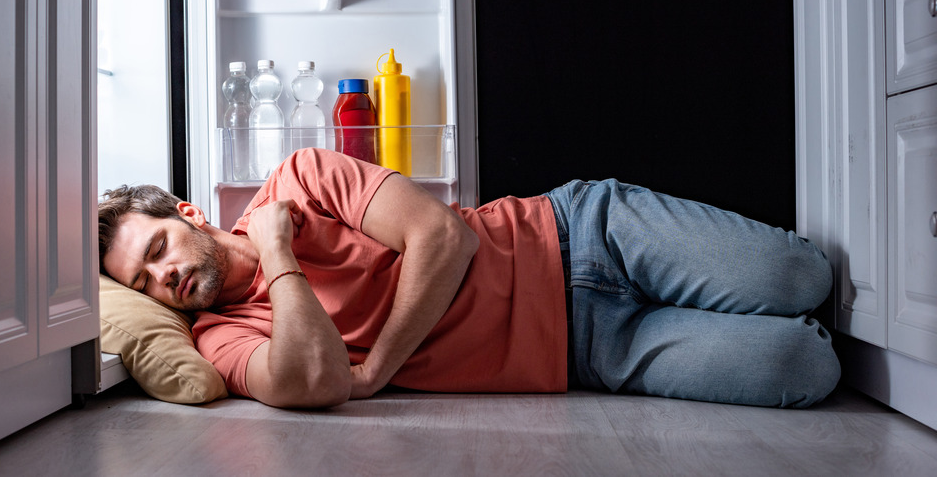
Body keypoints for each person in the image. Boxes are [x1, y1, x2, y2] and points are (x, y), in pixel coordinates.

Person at [98, 148, 840, 410]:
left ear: (189, 213)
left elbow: (441, 238)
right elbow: (314, 384)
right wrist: (282, 261)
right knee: (807, 364)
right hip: (587, 355)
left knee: (800, 274)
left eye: (159, 244)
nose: (168, 273)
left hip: (584, 234)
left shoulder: (300, 177)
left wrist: (380, 366)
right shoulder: (224, 337)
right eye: (148, 279)